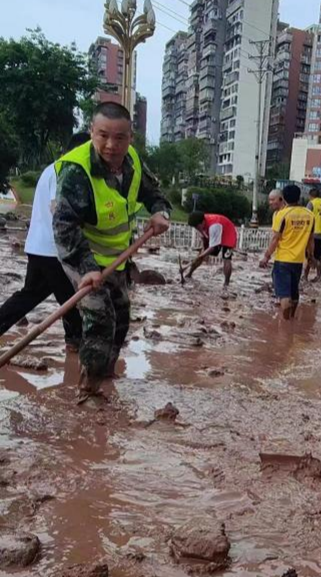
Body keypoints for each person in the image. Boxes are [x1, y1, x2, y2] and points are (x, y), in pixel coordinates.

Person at [53, 102, 171, 399]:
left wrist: (160, 213)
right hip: (82, 257)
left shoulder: (131, 160)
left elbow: (153, 192)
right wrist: (86, 268)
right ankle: (88, 388)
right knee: (101, 318)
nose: (111, 145)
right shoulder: (76, 170)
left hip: (116, 258)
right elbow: (64, 227)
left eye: (119, 137)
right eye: (103, 135)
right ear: (91, 132)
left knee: (121, 316)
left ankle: (105, 373)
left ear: (131, 137)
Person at [0, 132, 88, 347]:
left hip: (40, 246)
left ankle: (74, 340)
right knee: (70, 301)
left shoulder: (54, 168)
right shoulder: (65, 170)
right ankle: (77, 342)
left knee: (30, 296)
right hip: (52, 250)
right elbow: (56, 207)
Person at [259, 183, 314, 319]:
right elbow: (310, 240)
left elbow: (275, 239)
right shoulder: (310, 215)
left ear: (283, 198)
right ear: (299, 197)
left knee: (284, 295)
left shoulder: (282, 214)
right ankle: (291, 319)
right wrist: (310, 257)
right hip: (298, 261)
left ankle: (285, 325)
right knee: (294, 293)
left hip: (283, 260)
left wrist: (266, 256)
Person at [185, 211, 237, 286]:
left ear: (202, 222)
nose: (196, 228)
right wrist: (202, 253)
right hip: (215, 231)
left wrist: (201, 256)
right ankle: (189, 274)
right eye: (195, 227)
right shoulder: (201, 220)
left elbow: (213, 247)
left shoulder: (214, 226)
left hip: (228, 233)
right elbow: (205, 239)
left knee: (227, 258)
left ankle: (226, 283)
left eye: (197, 226)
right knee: (201, 254)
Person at [305, 186, 321, 281]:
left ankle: (305, 276)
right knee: (319, 257)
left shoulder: (311, 204)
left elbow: (306, 217)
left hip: (312, 234)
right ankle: (319, 276)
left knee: (309, 255)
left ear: (311, 196)